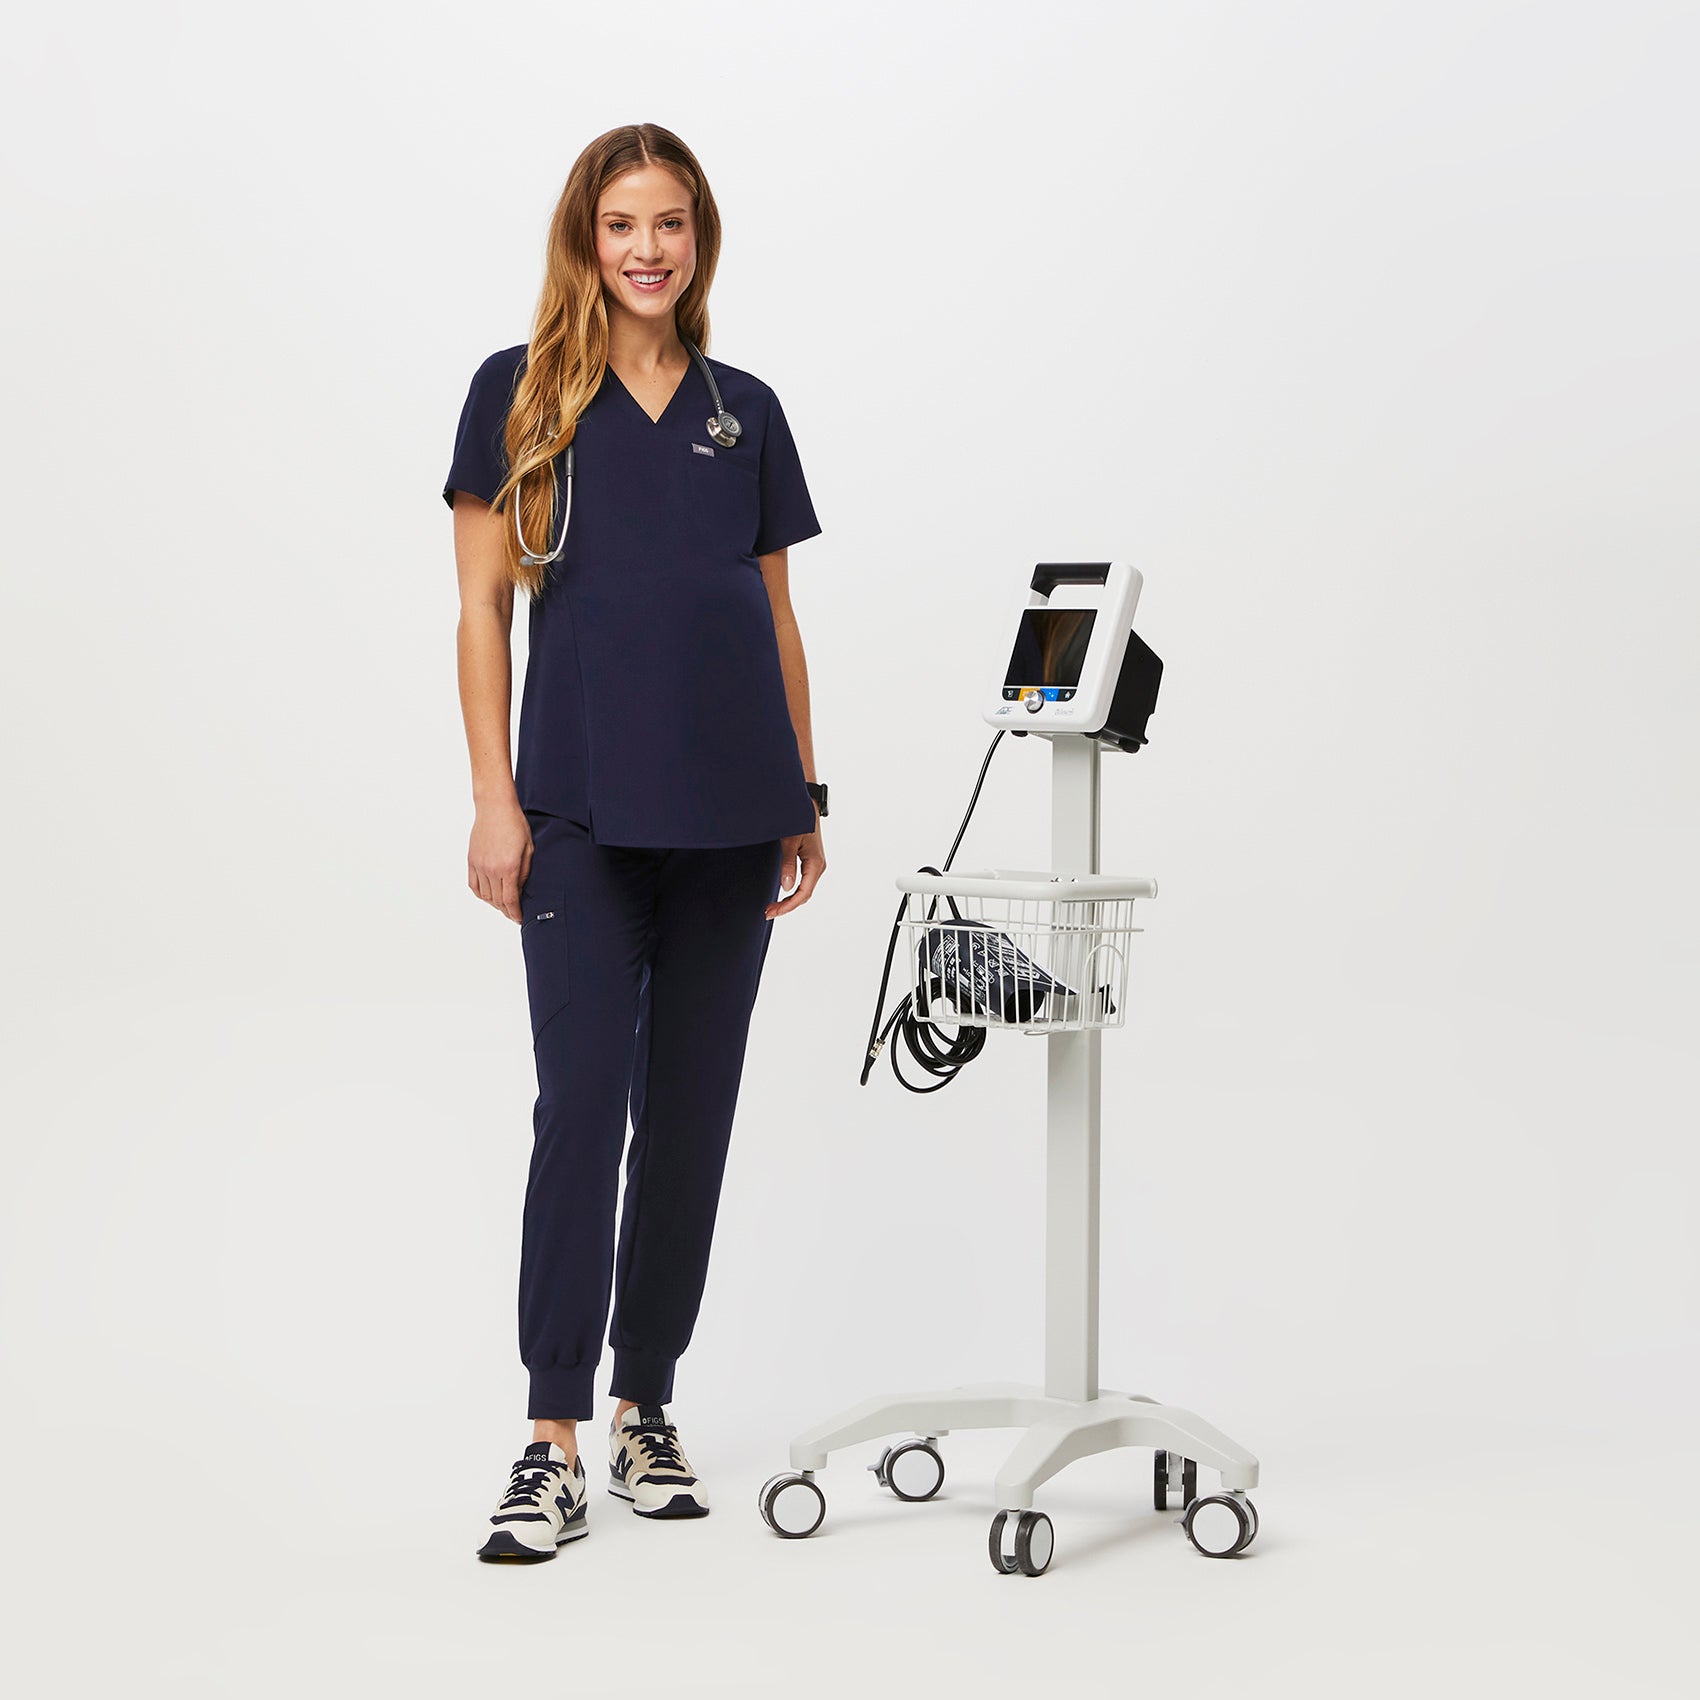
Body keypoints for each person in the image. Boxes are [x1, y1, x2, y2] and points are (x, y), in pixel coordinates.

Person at [441, 124, 829, 1562]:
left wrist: (803, 791)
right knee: (582, 1110)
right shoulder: (520, 393)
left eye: (670, 224)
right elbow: (481, 612)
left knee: (690, 1118)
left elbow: (773, 614)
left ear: (698, 239)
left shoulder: (746, 411)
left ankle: (644, 1406)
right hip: (581, 815)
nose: (647, 249)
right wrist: (495, 799)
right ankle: (549, 1436)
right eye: (622, 225)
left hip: (733, 818)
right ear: (585, 240)